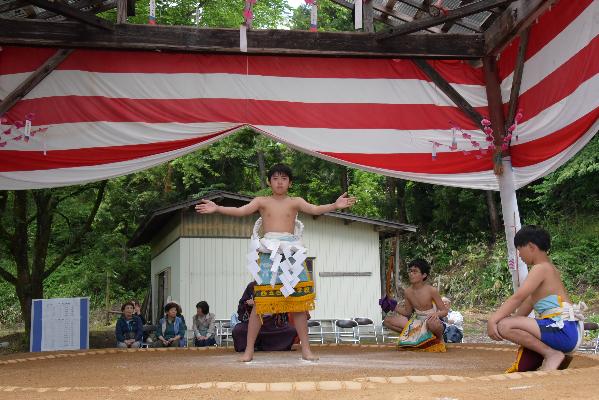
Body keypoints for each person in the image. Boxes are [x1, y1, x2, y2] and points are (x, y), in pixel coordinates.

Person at [196, 163, 356, 361]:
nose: (279, 182)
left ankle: (306, 349)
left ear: (290, 182)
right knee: (260, 304)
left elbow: (314, 209)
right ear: (269, 181)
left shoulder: (295, 201)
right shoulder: (261, 201)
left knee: (298, 303)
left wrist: (334, 205)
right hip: (268, 254)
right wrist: (218, 208)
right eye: (275, 178)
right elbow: (242, 211)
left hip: (292, 253)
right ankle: (249, 351)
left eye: (284, 179)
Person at [487, 225, 585, 371]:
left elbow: (517, 298)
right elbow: (518, 316)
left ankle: (551, 354)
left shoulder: (541, 268)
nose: (519, 255)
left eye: (520, 250)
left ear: (531, 246)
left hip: (563, 330)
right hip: (566, 331)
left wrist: (493, 320)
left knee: (504, 325)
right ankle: (552, 355)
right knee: (506, 325)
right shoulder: (545, 277)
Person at [383, 259, 447, 352]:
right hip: (416, 321)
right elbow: (407, 312)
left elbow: (444, 311)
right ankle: (415, 338)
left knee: (432, 323)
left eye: (415, 271)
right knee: (387, 321)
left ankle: (438, 340)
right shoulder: (408, 291)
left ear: (424, 275)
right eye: (410, 271)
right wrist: (393, 306)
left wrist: (436, 314)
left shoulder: (431, 290)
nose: (411, 274)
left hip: (431, 321)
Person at [232, 281, 297, 353]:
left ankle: (271, 346)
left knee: (291, 331)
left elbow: (286, 306)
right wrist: (248, 304)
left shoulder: (280, 286)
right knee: (238, 330)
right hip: (252, 324)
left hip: (273, 325)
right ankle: (253, 346)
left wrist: (277, 305)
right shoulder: (252, 286)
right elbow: (241, 306)